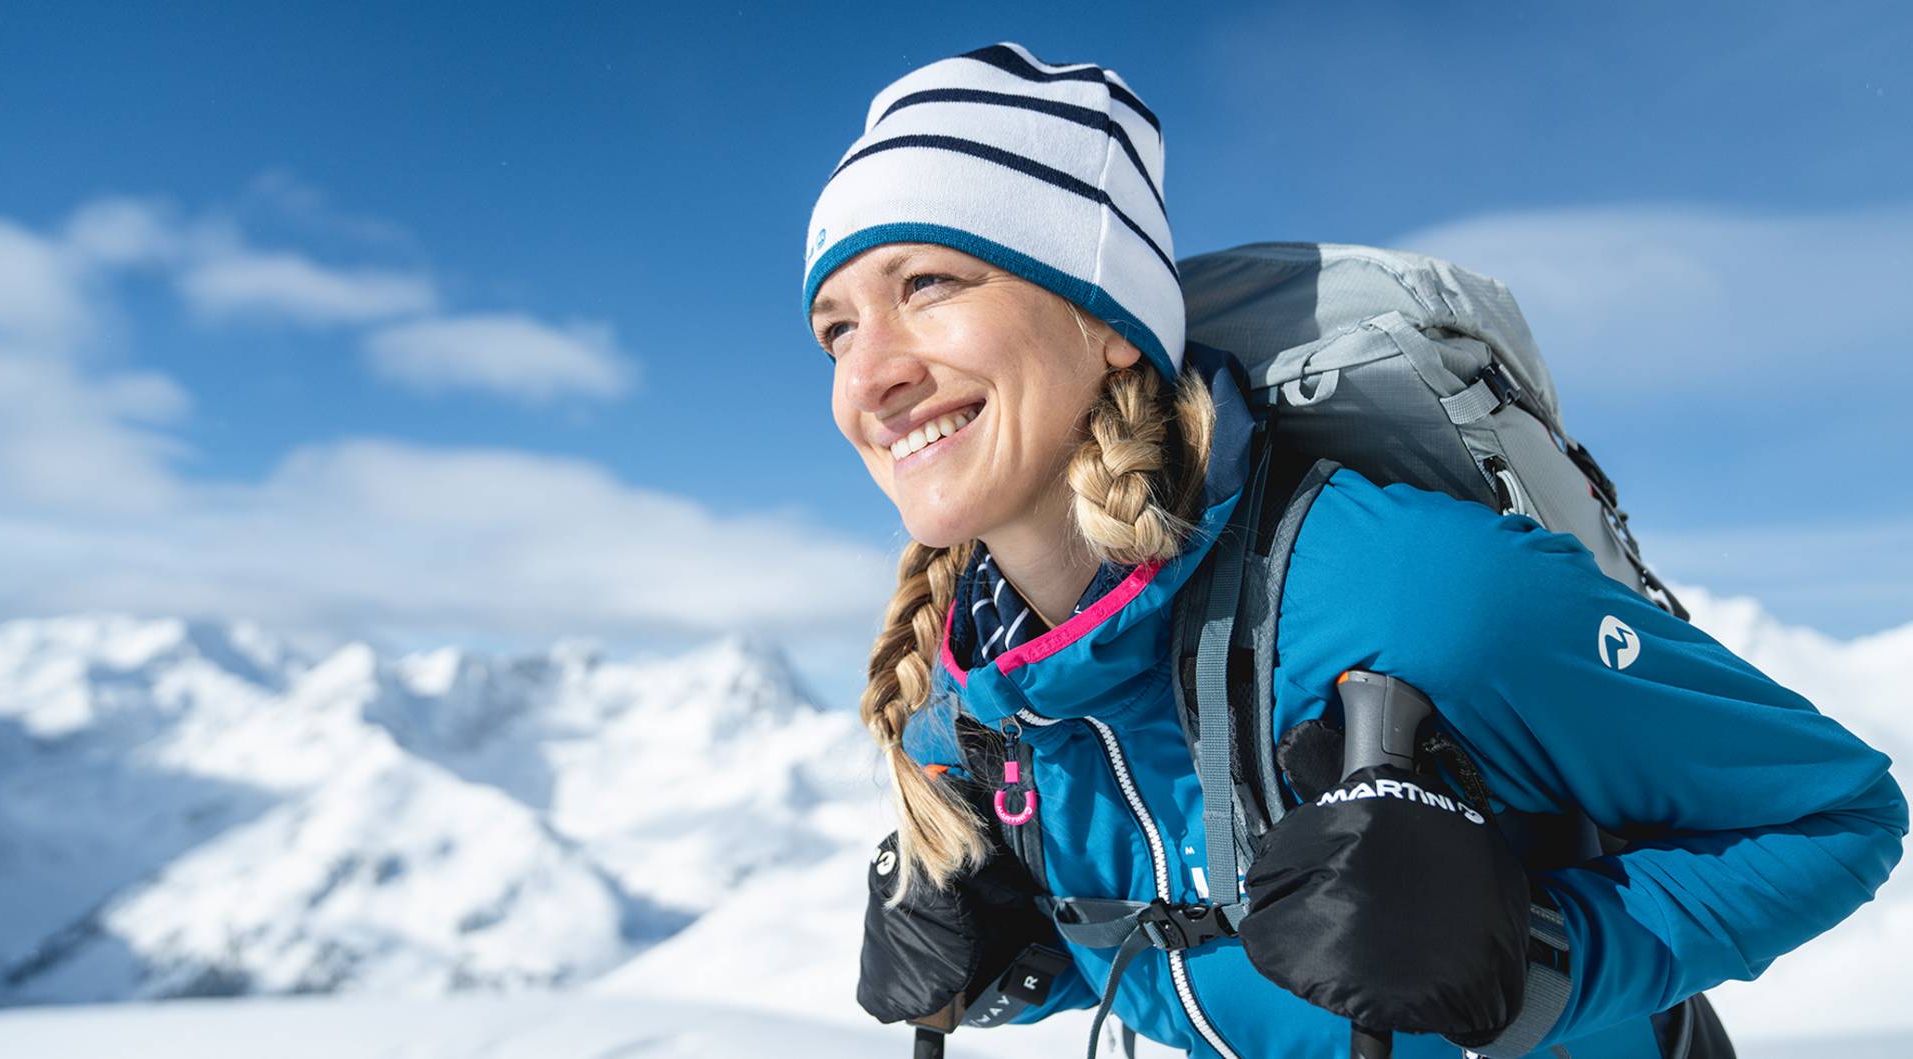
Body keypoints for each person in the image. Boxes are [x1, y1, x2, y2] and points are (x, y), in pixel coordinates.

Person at [801, 42, 1906, 1059]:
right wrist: (1022, 960)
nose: (868, 377)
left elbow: (1838, 814)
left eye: (929, 285)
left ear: (1106, 320)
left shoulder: (1422, 598)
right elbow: (1200, 961)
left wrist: (1533, 958)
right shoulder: (976, 706)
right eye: (837, 327)